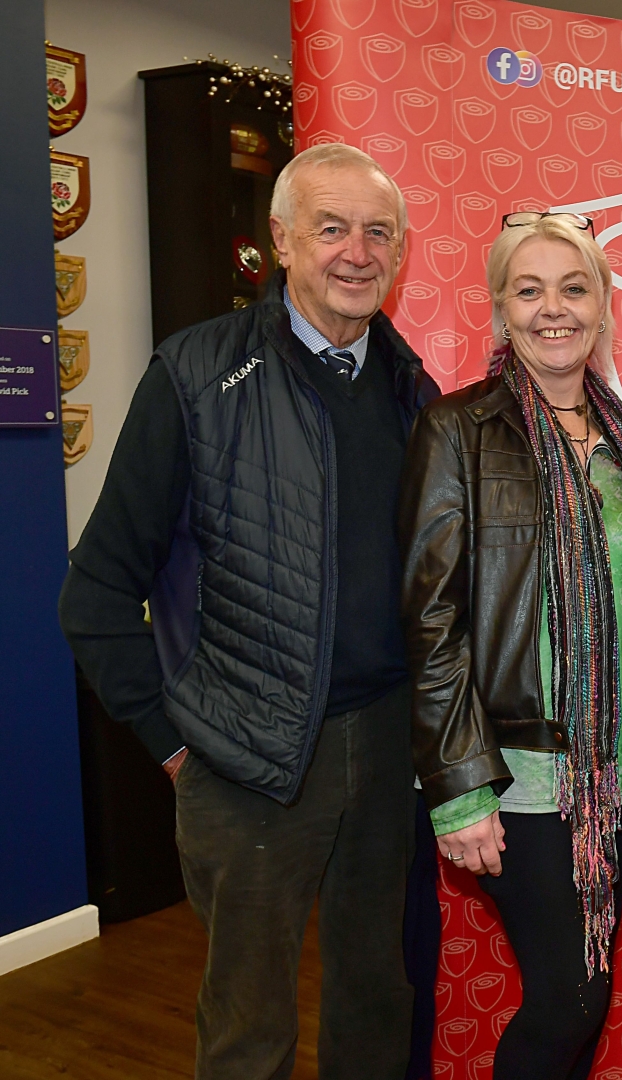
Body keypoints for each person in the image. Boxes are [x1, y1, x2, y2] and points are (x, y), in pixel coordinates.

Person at [59, 143, 439, 1079]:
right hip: (244, 758)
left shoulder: (412, 389)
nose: (357, 251)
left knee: (375, 998)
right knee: (248, 1022)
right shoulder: (195, 375)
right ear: (280, 239)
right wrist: (175, 744)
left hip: (387, 747)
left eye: (378, 231)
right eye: (331, 227)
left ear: (399, 250)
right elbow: (97, 588)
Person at [399, 212, 622, 1080]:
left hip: (621, 780)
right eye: (530, 288)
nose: (554, 308)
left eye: (574, 287)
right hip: (519, 781)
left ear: (602, 305)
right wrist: (460, 789)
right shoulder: (457, 430)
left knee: (587, 995)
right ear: (500, 308)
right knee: (571, 998)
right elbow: (430, 621)